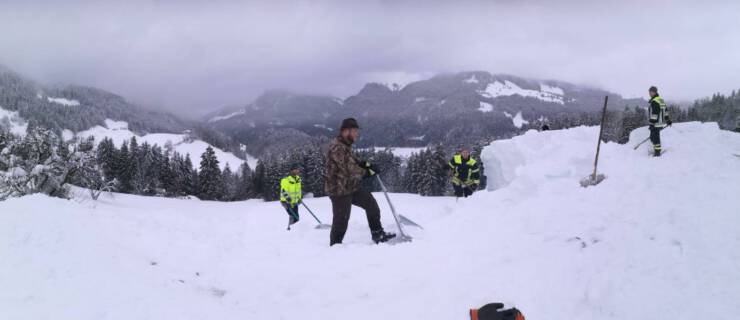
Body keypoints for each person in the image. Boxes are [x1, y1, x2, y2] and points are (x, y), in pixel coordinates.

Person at [325, 118, 396, 245]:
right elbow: (349, 169)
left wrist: (367, 164)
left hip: (351, 187)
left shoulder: (345, 146)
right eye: (355, 131)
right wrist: (368, 172)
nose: (357, 134)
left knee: (371, 204)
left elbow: (354, 162)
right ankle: (335, 246)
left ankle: (377, 234)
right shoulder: (337, 147)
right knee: (341, 221)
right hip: (339, 190)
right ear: (346, 131)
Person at [647, 86, 672, 157]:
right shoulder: (661, 100)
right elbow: (665, 111)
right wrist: (668, 120)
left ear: (654, 92)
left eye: (651, 92)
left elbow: (655, 113)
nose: (649, 93)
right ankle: (656, 150)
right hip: (659, 123)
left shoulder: (655, 101)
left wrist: (652, 123)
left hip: (655, 123)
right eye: (649, 92)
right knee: (653, 137)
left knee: (655, 138)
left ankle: (657, 152)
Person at [280, 164, 302, 230]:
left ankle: (295, 230)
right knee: (292, 216)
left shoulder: (298, 179)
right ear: (291, 171)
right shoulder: (286, 180)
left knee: (297, 216)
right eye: (295, 169)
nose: (297, 171)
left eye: (298, 169)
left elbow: (298, 191)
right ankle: (290, 230)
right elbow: (283, 191)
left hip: (294, 202)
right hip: (286, 202)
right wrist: (288, 200)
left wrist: (299, 198)